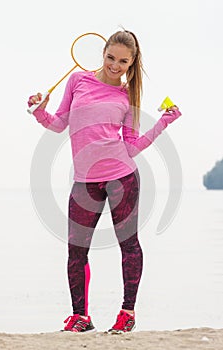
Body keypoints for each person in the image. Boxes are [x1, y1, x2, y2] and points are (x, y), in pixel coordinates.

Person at [28, 29, 182, 334]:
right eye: (111, 57)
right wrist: (40, 111)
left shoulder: (128, 95)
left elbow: (132, 146)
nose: (115, 65)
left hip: (121, 177)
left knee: (129, 246)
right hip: (85, 181)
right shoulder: (78, 81)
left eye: (123, 61)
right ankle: (80, 317)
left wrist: (163, 123)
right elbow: (59, 124)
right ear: (103, 53)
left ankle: (127, 313)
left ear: (132, 62)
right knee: (76, 250)